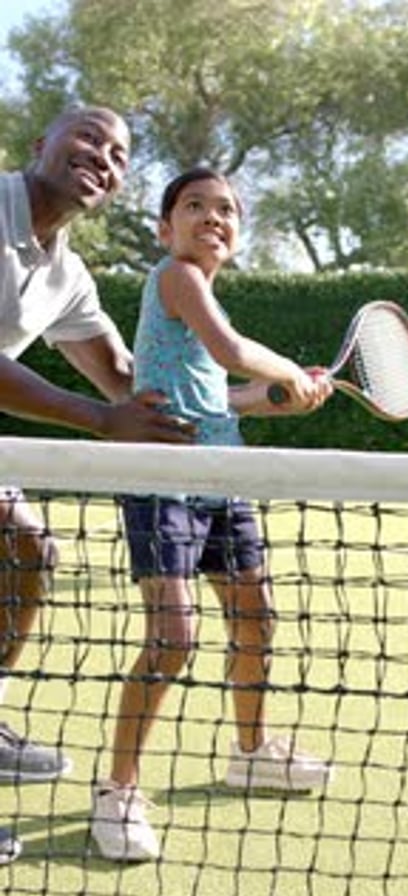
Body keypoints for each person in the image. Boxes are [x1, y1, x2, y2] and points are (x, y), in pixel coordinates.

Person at [91, 167, 334, 860]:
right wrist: (287, 371)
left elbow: (219, 395)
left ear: (238, 233)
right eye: (194, 205)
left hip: (222, 480)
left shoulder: (200, 305)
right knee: (173, 637)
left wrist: (280, 395)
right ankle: (118, 790)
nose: (212, 216)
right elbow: (232, 351)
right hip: (163, 481)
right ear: (165, 229)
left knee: (256, 616)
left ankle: (252, 753)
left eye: (226, 208)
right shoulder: (177, 278)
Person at [0, 105, 196, 785]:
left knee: (25, 549)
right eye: (88, 136)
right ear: (41, 144)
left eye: (118, 156)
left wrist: (247, 394)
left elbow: (125, 379)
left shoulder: (68, 276)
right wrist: (100, 419)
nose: (101, 157)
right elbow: (108, 409)